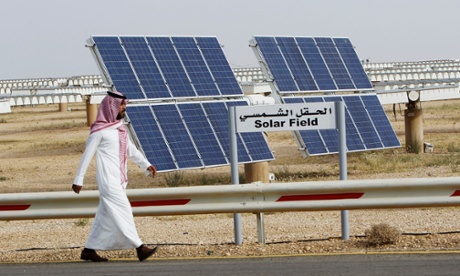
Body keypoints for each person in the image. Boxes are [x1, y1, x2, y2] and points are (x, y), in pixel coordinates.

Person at [72, 90, 158, 262]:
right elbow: (87, 155)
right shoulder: (99, 131)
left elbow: (131, 150)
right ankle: (140, 248)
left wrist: (145, 164)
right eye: (121, 105)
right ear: (111, 107)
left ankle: (88, 250)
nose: (124, 108)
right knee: (124, 210)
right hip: (107, 180)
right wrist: (78, 179)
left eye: (125, 104)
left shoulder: (120, 128)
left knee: (104, 216)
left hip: (119, 180)